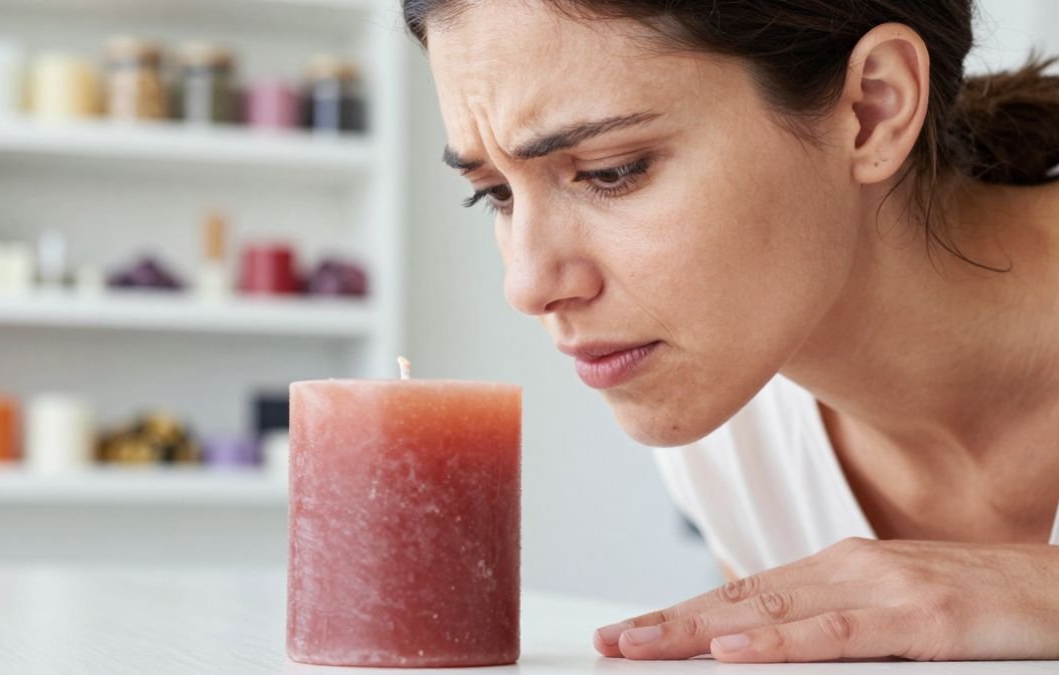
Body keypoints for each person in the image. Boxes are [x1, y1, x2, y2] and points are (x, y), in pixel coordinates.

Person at [403, 0, 1059, 664]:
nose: (527, 284)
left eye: (611, 170)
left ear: (871, 110)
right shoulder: (733, 434)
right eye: (496, 193)